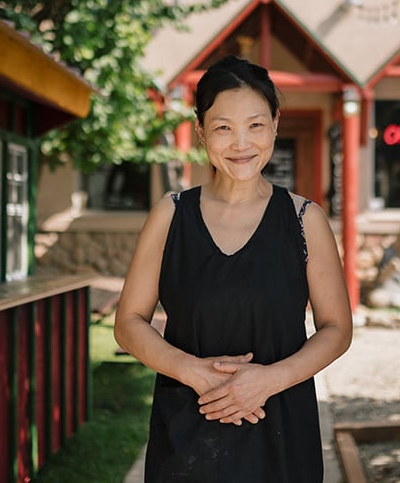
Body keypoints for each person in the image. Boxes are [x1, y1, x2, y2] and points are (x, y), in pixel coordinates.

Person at [113, 55, 352, 482]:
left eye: (256, 125)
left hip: (280, 431)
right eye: (224, 127)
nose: (242, 143)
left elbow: (336, 328)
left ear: (276, 124)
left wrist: (267, 381)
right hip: (186, 431)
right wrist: (192, 371)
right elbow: (129, 322)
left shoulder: (304, 220)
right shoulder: (170, 215)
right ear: (202, 131)